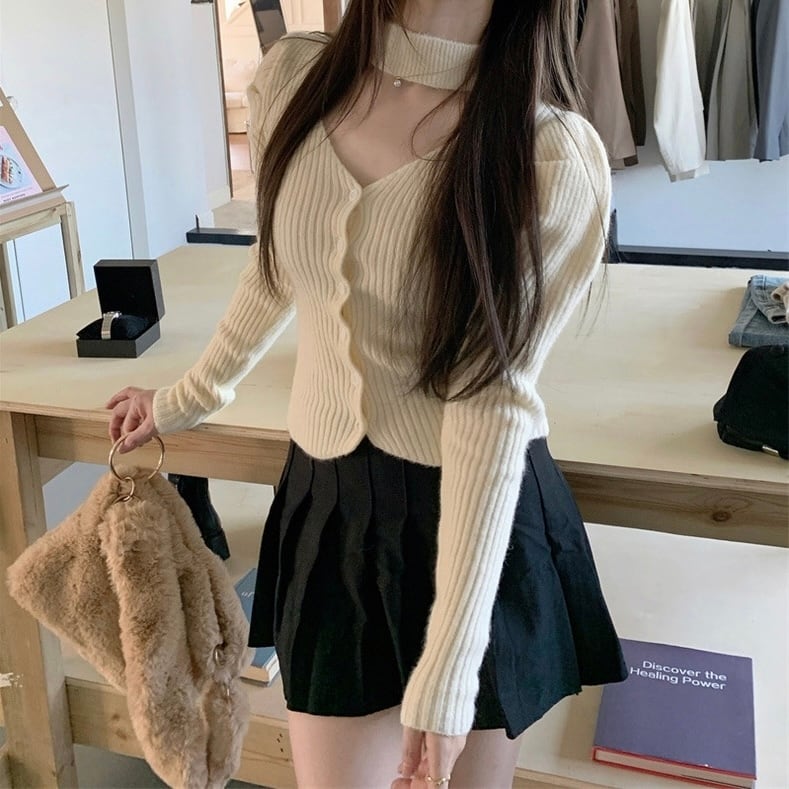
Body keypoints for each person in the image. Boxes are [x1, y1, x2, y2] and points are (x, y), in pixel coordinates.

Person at [107, 1, 627, 786]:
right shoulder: (295, 80)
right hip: (331, 508)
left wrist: (449, 670)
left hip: (476, 523)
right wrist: (186, 397)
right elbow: (275, 269)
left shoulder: (546, 155)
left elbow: (490, 401)